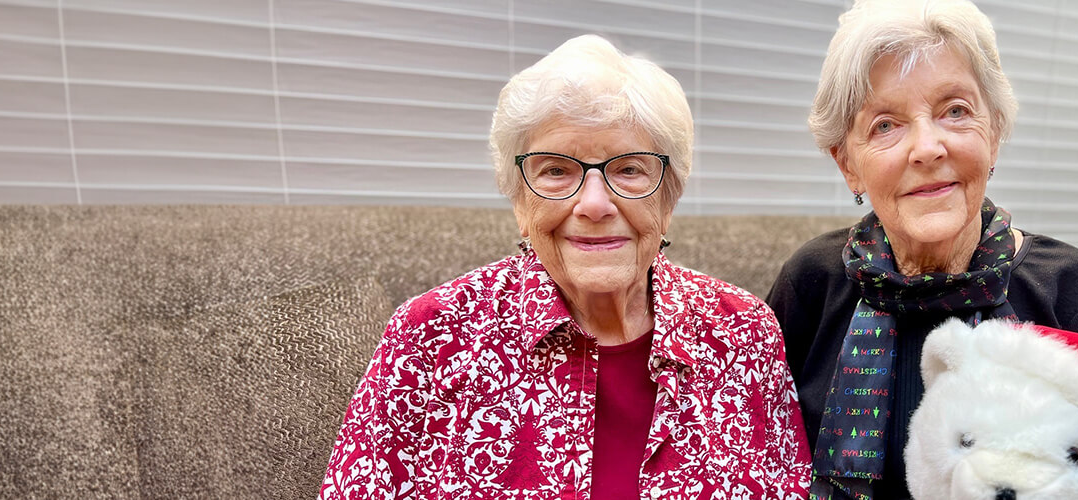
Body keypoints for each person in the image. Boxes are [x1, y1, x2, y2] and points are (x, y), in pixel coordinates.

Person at [320, 35, 810, 499]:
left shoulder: (743, 333)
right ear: (518, 201)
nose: (594, 204)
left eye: (629, 169)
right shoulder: (430, 338)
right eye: (556, 170)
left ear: (669, 197)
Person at [765, 1, 1078, 498]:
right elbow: (756, 453)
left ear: (993, 134)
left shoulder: (1068, 289)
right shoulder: (813, 280)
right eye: (885, 125)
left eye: (955, 111)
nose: (928, 147)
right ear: (848, 164)